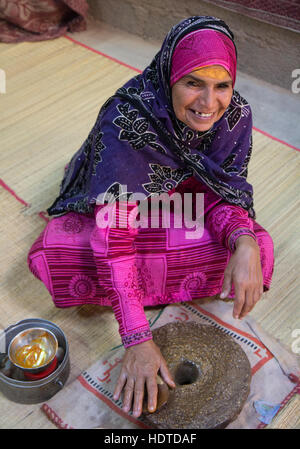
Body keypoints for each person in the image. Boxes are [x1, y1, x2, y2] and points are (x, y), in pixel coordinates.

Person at [28, 16, 274, 419]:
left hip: (186, 206)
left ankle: (148, 283)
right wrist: (137, 338)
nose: (208, 104)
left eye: (221, 85)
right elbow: (114, 237)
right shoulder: (127, 121)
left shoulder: (234, 118)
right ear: (169, 76)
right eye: (193, 82)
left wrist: (243, 240)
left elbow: (221, 194)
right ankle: (139, 294)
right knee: (57, 251)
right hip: (121, 205)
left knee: (258, 248)